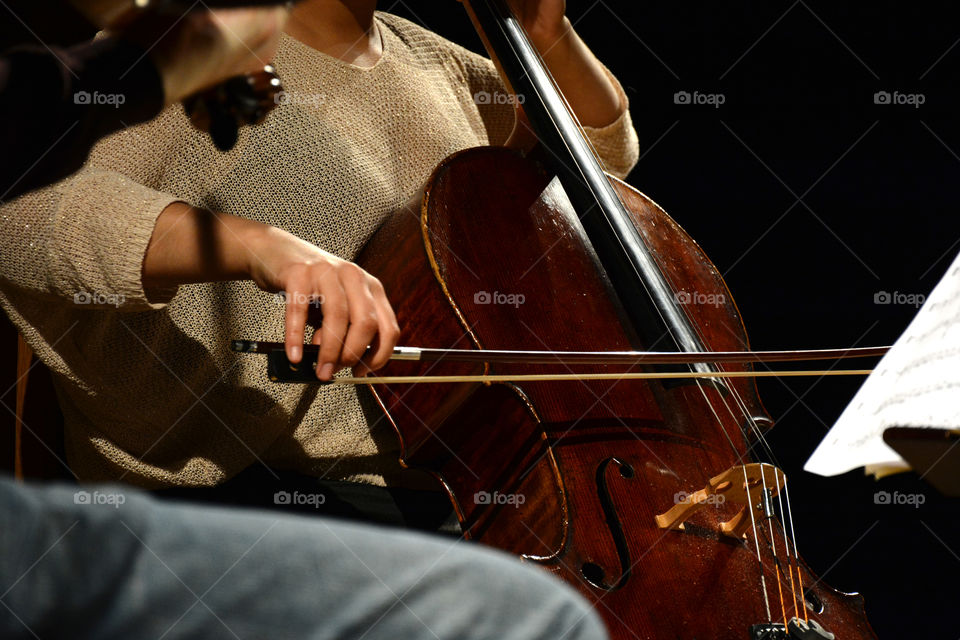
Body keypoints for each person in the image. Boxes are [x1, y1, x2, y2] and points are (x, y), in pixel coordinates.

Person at [0, 4, 610, 639]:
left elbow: (599, 169)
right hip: (247, 501)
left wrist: (547, 36)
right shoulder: (211, 40)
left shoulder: (435, 62)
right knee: (543, 621)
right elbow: (22, 210)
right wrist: (262, 246)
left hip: (444, 494)